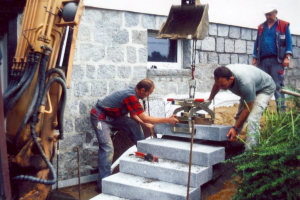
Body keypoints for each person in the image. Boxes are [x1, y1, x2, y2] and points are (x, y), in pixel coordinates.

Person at [90, 78, 178, 192]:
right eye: (148, 93)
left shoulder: (135, 91)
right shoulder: (131, 96)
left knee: (132, 124)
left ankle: (145, 152)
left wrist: (145, 124)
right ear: (142, 90)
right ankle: (103, 185)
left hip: (113, 116)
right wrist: (167, 120)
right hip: (100, 117)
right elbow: (144, 116)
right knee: (107, 148)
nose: (148, 96)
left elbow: (134, 115)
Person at [207, 64, 275, 150]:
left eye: (223, 85)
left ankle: (250, 151)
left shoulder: (245, 83)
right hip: (251, 87)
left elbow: (247, 109)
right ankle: (232, 143)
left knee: (252, 119)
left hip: (264, 89)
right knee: (239, 117)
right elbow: (217, 85)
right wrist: (209, 99)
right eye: (218, 85)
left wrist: (235, 128)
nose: (220, 88)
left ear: (231, 79)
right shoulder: (222, 75)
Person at [252, 7, 293, 112]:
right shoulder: (261, 27)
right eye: (266, 15)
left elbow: (289, 42)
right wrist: (255, 57)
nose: (268, 17)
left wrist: (287, 57)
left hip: (277, 61)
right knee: (262, 87)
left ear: (275, 13)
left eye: (270, 14)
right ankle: (262, 111)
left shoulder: (283, 25)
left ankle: (281, 112)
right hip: (263, 61)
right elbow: (257, 43)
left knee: (278, 86)